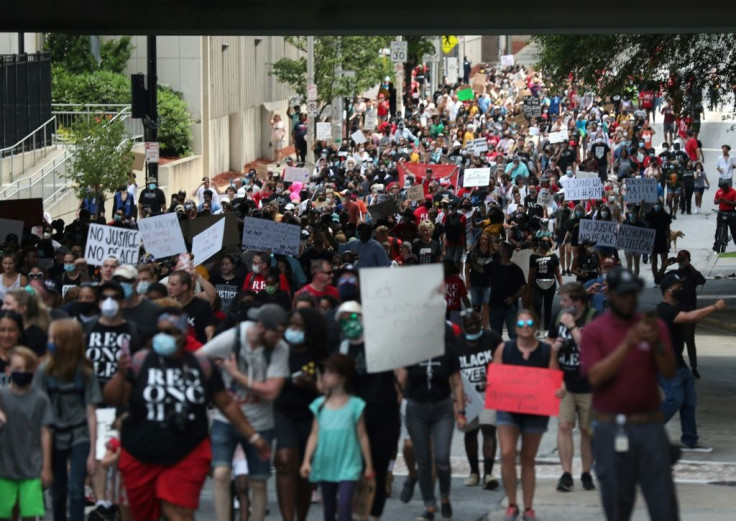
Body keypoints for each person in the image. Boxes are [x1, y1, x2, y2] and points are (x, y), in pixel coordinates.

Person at [102, 308, 270, 521]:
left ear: (184, 335)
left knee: (179, 511)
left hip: (187, 451)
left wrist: (253, 436)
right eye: (161, 331)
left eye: (171, 332)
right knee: (141, 514)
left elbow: (226, 403)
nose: (164, 337)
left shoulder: (202, 365)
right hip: (140, 451)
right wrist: (119, 372)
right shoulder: (140, 361)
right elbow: (114, 398)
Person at [579, 267, 679, 521]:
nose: (629, 299)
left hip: (649, 426)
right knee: (617, 506)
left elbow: (668, 373)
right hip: (612, 427)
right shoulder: (595, 330)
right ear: (609, 293)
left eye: (632, 294)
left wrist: (657, 344)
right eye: (623, 294)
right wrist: (628, 344)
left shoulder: (653, 325)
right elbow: (595, 377)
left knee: (664, 506)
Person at [198, 304, 290, 521]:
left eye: (281, 334)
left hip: (260, 421)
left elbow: (271, 392)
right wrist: (214, 381)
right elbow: (196, 359)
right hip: (226, 419)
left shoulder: (280, 349)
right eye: (275, 333)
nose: (278, 338)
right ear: (259, 327)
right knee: (220, 474)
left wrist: (235, 374)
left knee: (258, 481)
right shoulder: (234, 338)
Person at [495, 310, 563, 521]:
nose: (525, 326)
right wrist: (490, 384)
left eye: (530, 322)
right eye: (521, 323)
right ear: (515, 327)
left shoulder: (545, 351)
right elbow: (496, 375)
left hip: (535, 409)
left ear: (535, 327)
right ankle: (512, 503)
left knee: (527, 458)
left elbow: (554, 379)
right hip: (508, 408)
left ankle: (529, 507)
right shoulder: (504, 348)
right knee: (507, 453)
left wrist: (559, 389)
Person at [335, 301, 399, 520]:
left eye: (354, 317)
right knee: (355, 470)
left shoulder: (381, 343)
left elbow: (400, 370)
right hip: (353, 421)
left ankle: (373, 515)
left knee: (378, 471)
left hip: (384, 418)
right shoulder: (342, 350)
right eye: (345, 319)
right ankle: (356, 511)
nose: (350, 322)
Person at [83, 280, 142, 518]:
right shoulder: (88, 330)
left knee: (119, 456)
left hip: (123, 402)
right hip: (94, 400)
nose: (109, 302)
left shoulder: (133, 331)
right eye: (104, 297)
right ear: (98, 302)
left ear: (123, 301)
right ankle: (102, 503)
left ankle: (118, 500)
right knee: (98, 453)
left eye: (114, 297)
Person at [396, 323, 465, 521]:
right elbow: (400, 383)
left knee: (442, 458)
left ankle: (444, 496)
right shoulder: (411, 353)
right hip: (416, 408)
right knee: (424, 460)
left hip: (442, 408)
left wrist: (460, 411)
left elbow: (457, 383)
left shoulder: (448, 353)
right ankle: (430, 505)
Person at [34, 318, 102, 521]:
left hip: (79, 433)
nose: (50, 342)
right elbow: (39, 410)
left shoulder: (86, 372)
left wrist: (92, 452)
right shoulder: (44, 370)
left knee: (76, 489)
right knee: (58, 491)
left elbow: (91, 412)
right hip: (53, 434)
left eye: (54, 338)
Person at [300, 353, 374, 521]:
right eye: (325, 371)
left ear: (343, 377)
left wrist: (369, 464)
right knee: (328, 509)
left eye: (330, 372)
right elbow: (314, 434)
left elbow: (362, 436)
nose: (325, 375)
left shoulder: (356, 405)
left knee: (345, 503)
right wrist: (306, 460)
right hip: (325, 463)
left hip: (349, 463)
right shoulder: (319, 405)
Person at [656, 272, 725, 452]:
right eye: (679, 287)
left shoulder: (674, 309)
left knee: (689, 402)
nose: (682, 289)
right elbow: (689, 318)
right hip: (666, 367)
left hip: (680, 365)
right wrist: (715, 307)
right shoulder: (664, 311)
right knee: (674, 399)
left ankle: (690, 439)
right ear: (669, 291)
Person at [275, 308, 327, 521]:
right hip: (282, 412)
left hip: (311, 415)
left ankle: (301, 517)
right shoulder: (279, 350)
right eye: (292, 325)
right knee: (286, 461)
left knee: (305, 470)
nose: (294, 330)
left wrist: (313, 384)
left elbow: (329, 387)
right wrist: (291, 381)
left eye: (300, 327)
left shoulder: (320, 353)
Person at [547, 282, 597, 493]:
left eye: (565, 300)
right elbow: (549, 343)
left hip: (589, 383)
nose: (561, 304)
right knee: (564, 427)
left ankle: (586, 473)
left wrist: (572, 328)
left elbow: (591, 348)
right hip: (565, 381)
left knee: (588, 431)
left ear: (577, 302)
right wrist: (554, 348)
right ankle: (566, 473)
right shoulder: (559, 316)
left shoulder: (594, 317)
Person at [0, 346, 53, 521]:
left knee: (30, 514)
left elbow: (45, 432)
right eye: (17, 369)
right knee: (4, 514)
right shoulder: (2, 396)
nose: (22, 372)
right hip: (4, 468)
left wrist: (46, 468)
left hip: (31, 467)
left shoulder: (40, 399)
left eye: (26, 368)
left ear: (34, 370)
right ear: (8, 370)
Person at [455, 310, 502, 490]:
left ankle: (488, 473)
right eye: (468, 326)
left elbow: (504, 361)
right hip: (467, 395)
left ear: (481, 321)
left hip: (489, 392)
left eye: (476, 324)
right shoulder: (457, 343)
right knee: (470, 432)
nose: (473, 328)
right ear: (463, 327)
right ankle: (474, 472)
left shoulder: (493, 338)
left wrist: (494, 377)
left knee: (489, 429)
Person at [488, 242, 527, 339]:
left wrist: (513, 297)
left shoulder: (516, 270)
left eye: (500, 249)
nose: (497, 250)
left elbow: (523, 288)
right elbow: (480, 270)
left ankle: (514, 353)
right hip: (495, 306)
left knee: (514, 335)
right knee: (495, 336)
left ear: (505, 254)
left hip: (511, 307)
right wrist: (473, 260)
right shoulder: (493, 265)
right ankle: (498, 353)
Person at [167, 270, 217, 343]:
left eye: (173, 285)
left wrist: (197, 276)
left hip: (197, 350)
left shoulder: (202, 306)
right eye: (168, 284)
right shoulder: (169, 306)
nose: (169, 287)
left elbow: (210, 333)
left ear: (185, 286)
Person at [115, 265, 162, 338]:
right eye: (118, 281)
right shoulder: (110, 309)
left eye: (126, 281)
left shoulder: (153, 308)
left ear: (135, 283)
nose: (122, 284)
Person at [528, 237, 563, 334]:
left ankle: (547, 329)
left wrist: (562, 285)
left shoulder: (553, 256)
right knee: (537, 306)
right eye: (543, 241)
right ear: (539, 242)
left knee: (548, 308)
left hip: (550, 283)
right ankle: (537, 329)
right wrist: (528, 285)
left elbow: (558, 272)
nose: (545, 243)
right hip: (537, 282)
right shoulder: (534, 256)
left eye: (547, 241)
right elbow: (531, 273)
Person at [2, 288, 50, 356]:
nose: (3, 307)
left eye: (8, 304)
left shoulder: (37, 337)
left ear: (22, 308)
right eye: (3, 303)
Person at [0, 310, 26, 386]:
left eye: (12, 330)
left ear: (19, 332)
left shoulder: (27, 359)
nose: (6, 335)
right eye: (2, 330)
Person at [713, 179, 736, 250]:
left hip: (730, 212)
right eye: (721, 187)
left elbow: (734, 204)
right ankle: (716, 244)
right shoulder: (719, 191)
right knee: (718, 228)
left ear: (727, 186)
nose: (723, 188)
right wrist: (718, 201)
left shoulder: (733, 192)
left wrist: (726, 201)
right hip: (721, 211)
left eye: (724, 187)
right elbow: (715, 201)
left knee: (734, 229)